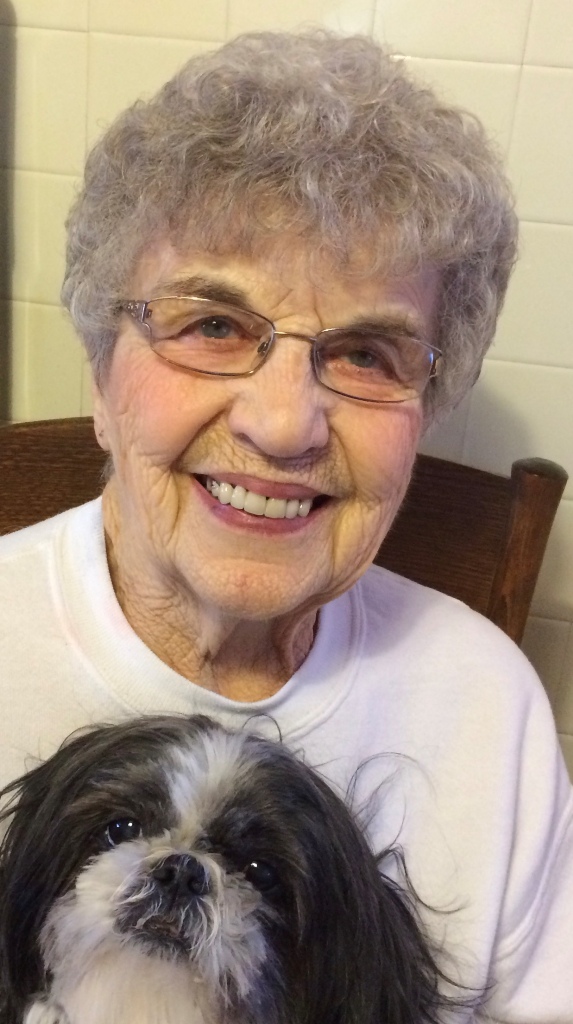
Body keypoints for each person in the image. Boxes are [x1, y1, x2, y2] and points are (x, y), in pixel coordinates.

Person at [0, 30, 571, 1019]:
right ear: (100, 376)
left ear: (424, 412)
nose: (282, 423)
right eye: (213, 324)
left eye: (365, 353)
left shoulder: (488, 708)